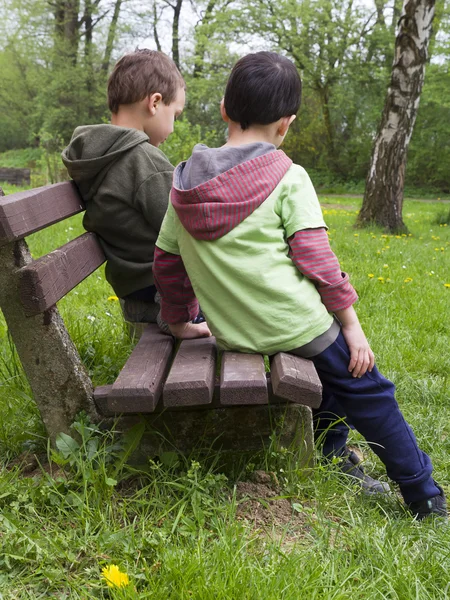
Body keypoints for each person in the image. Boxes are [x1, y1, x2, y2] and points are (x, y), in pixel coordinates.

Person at [152, 51, 447, 521]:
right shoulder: (289, 176)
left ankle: (330, 452)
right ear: (286, 124)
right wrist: (351, 325)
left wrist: (181, 321)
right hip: (294, 325)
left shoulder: (183, 181)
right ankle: (424, 495)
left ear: (225, 108)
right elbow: (317, 261)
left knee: (329, 385)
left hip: (232, 333)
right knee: (368, 389)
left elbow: (167, 262)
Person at [62, 49, 185, 327]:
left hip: (133, 298)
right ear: (155, 102)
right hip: (166, 298)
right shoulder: (144, 159)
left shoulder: (94, 155)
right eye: (175, 114)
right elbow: (183, 229)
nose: (173, 127)